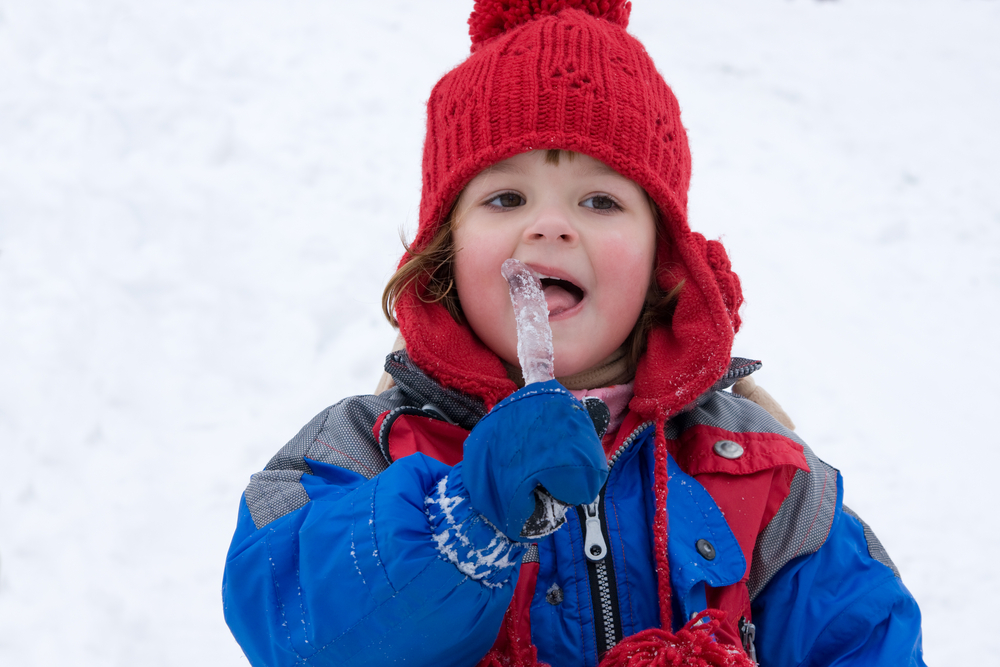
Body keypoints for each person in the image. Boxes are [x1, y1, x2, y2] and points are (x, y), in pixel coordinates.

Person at [222, 2, 926, 666]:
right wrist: (462, 516)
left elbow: (861, 632)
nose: (551, 225)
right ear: (445, 250)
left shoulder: (762, 472)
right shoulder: (368, 446)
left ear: (662, 258)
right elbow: (293, 622)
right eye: (506, 197)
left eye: (600, 199)